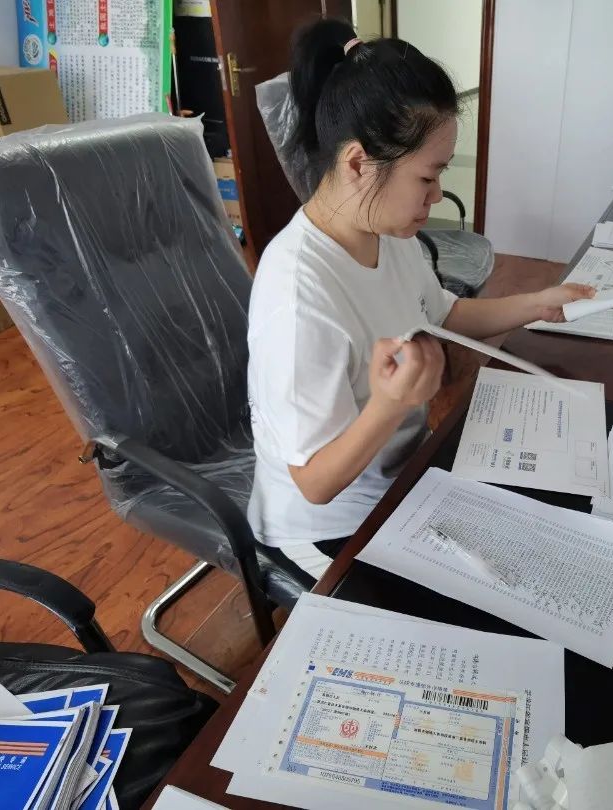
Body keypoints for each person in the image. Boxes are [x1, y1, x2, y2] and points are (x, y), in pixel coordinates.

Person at [246, 19, 593, 569]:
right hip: (326, 528)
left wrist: (537, 303)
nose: (436, 195)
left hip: (402, 483)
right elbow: (315, 483)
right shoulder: (298, 295)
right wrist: (391, 405)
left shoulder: (388, 233)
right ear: (358, 164)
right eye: (427, 178)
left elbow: (443, 314)